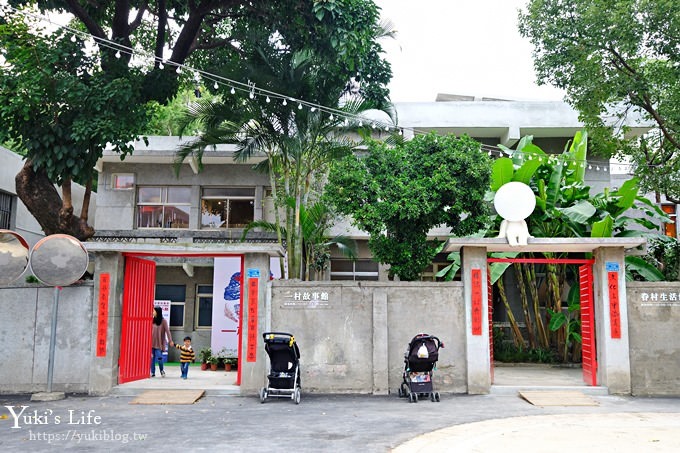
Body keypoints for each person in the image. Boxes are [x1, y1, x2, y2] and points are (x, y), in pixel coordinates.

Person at [151, 306, 173, 377]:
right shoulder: (152, 320)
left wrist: (170, 340)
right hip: (151, 343)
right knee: (152, 358)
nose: (153, 312)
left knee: (159, 358)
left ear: (158, 312)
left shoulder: (163, 321)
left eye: (154, 311)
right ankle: (152, 372)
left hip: (159, 343)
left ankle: (161, 370)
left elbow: (167, 331)